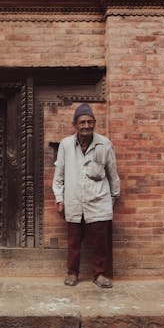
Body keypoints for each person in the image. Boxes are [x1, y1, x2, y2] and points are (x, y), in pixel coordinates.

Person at [52, 103, 120, 288]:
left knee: (100, 242)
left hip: (99, 200)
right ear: (75, 125)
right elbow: (58, 176)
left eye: (90, 122)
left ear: (95, 123)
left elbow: (112, 173)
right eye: (82, 122)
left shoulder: (104, 144)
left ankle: (99, 274)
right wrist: (59, 199)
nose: (86, 126)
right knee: (74, 241)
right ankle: (72, 273)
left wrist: (113, 198)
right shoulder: (66, 145)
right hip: (73, 199)